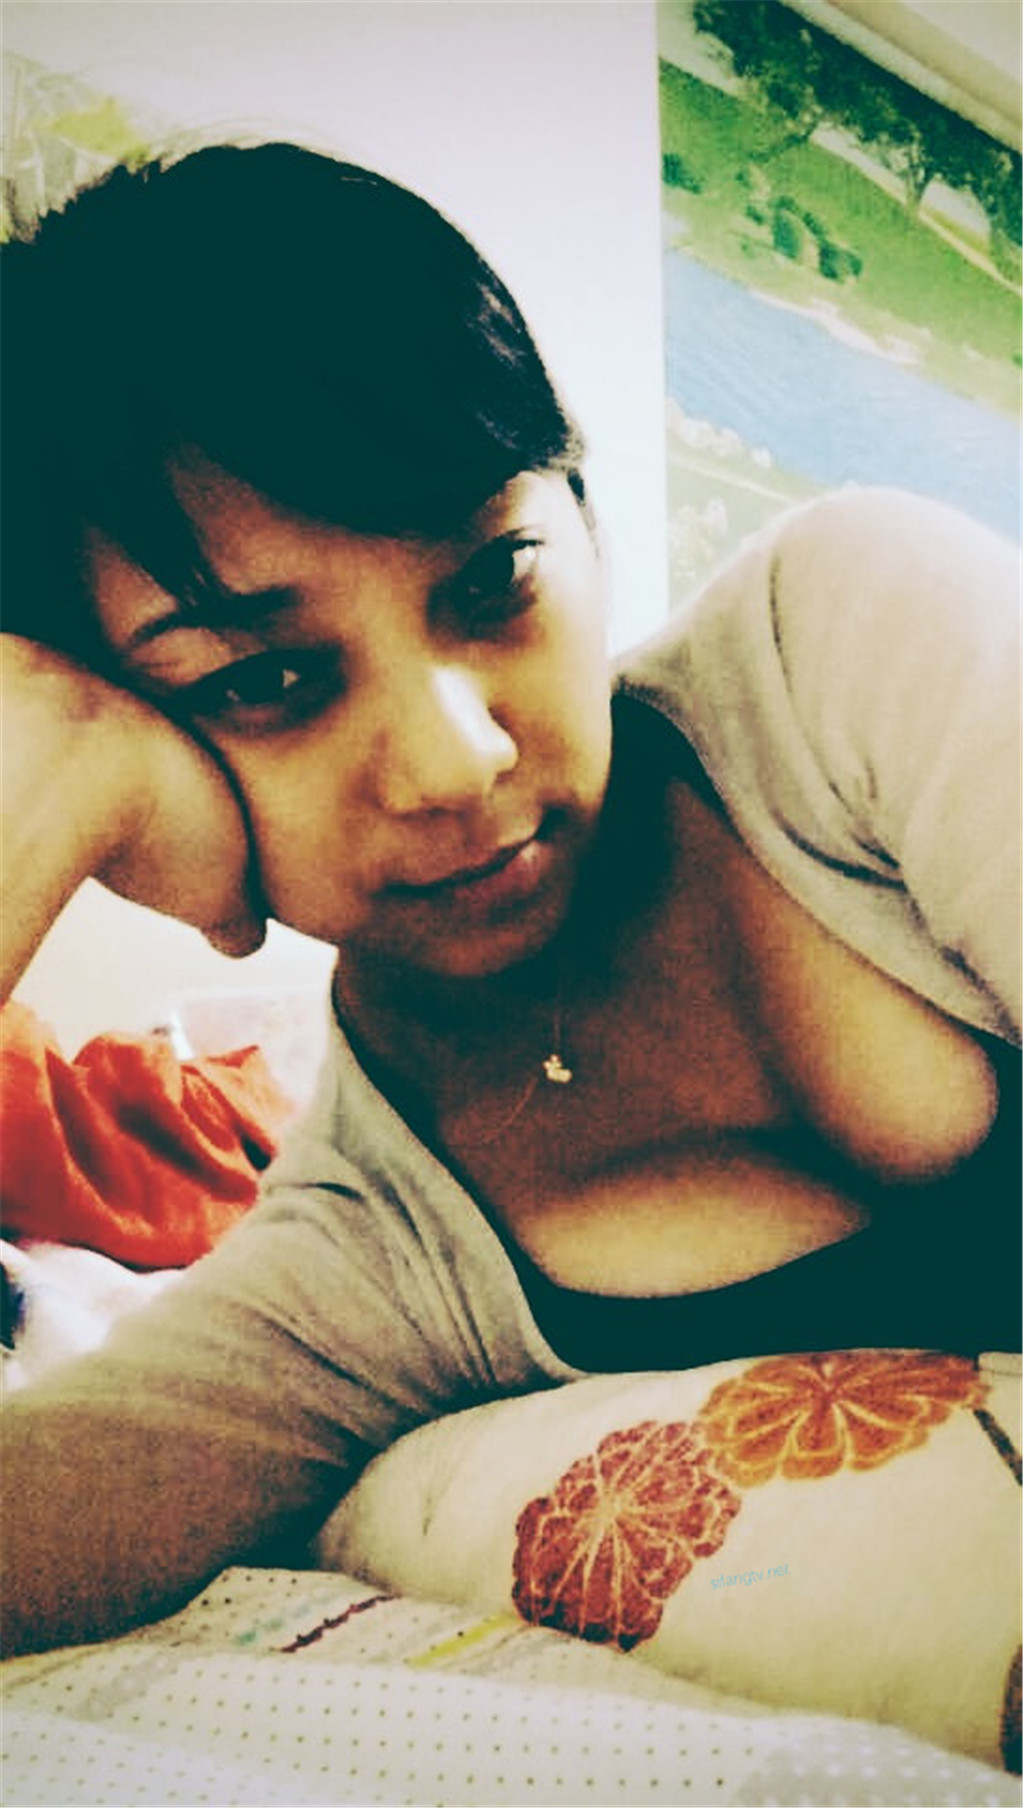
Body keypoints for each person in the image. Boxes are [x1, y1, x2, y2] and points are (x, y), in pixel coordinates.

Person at [1, 141, 1019, 1659]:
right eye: (265, 680)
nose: (456, 759)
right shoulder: (377, 1249)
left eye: (494, 583)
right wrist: (36, 793)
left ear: (583, 525)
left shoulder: (845, 651)